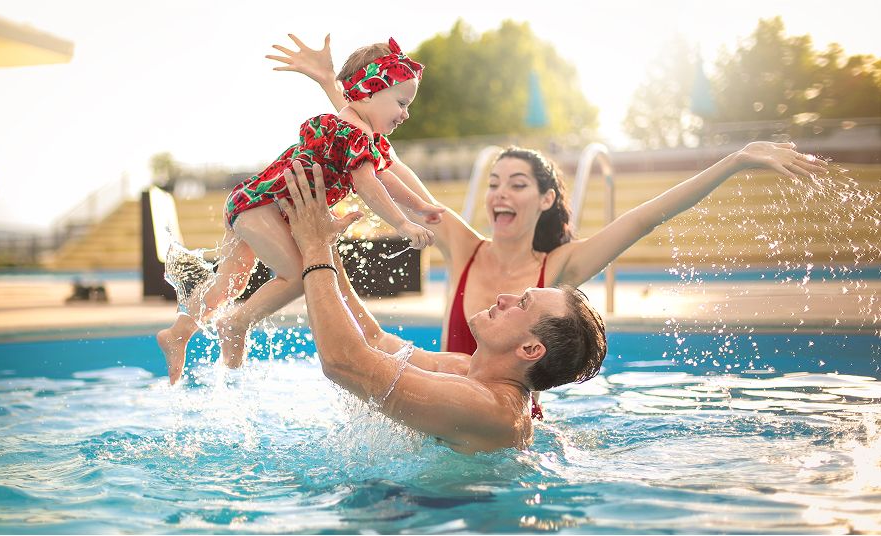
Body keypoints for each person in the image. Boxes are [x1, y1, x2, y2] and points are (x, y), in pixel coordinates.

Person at [268, 33, 830, 353]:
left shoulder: (558, 270)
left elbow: (645, 217)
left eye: (517, 184)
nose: (499, 195)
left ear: (544, 199)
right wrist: (331, 84)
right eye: (493, 184)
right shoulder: (462, 246)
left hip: (499, 431)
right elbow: (372, 149)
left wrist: (733, 162)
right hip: (434, 412)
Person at [158, 37, 444, 385]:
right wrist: (402, 223)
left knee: (230, 283)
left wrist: (422, 206)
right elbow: (370, 186)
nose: (406, 113)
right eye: (401, 102)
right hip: (263, 206)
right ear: (368, 93)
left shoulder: (362, 135)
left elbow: (386, 176)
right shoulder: (351, 133)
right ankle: (235, 324)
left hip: (251, 203)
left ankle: (179, 331)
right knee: (298, 276)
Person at [279, 160, 607, 453]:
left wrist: (315, 249)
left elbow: (345, 364)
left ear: (531, 348)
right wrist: (326, 244)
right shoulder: (466, 370)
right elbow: (373, 342)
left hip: (439, 514)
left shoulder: (487, 408)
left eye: (522, 303)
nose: (503, 298)